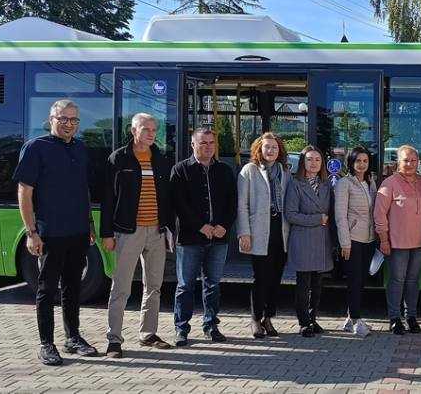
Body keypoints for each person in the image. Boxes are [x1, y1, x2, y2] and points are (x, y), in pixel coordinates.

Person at [13, 99, 98, 366]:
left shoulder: (81, 148)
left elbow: (84, 190)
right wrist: (31, 232)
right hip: (50, 233)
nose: (68, 124)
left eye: (73, 120)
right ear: (51, 119)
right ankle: (46, 344)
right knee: (47, 289)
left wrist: (90, 225)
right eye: (63, 119)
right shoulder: (36, 148)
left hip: (78, 232)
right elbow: (24, 193)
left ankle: (72, 338)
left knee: (73, 287)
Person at [101, 113, 173, 358]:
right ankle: (113, 340)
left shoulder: (161, 159)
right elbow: (108, 199)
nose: (151, 134)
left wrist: (167, 228)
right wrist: (107, 233)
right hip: (126, 232)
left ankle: (148, 334)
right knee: (121, 287)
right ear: (133, 131)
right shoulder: (118, 158)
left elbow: (167, 199)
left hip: (156, 232)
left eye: (154, 129)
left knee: (154, 286)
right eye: (146, 129)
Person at [171, 128, 237, 345]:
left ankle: (211, 325)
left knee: (213, 285)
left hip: (218, 239)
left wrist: (224, 226)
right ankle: (181, 329)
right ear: (193, 145)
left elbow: (232, 203)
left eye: (211, 143)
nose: (208, 147)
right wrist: (201, 226)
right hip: (190, 239)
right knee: (185, 285)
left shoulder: (225, 171)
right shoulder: (181, 170)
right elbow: (179, 204)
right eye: (203, 143)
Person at [237, 132, 291, 339]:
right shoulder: (249, 171)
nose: (271, 151)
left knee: (276, 277)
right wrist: (244, 232)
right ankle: (255, 319)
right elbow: (241, 205)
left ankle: (269, 317)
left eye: (275, 147)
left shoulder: (284, 172)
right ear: (259, 149)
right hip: (259, 230)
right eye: (267, 147)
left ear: (280, 151)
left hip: (280, 230)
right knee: (261, 277)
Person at [374, 145, 421, 335]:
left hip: (419, 242)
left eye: (414, 160)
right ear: (398, 162)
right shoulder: (389, 183)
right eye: (406, 160)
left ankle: (411, 316)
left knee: (413, 281)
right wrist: (383, 240)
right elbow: (379, 214)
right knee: (397, 280)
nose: (410, 164)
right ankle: (394, 318)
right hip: (396, 243)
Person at [284, 146, 334, 337]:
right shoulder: (296, 184)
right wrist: (317, 219)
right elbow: (291, 214)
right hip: (303, 239)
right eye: (309, 159)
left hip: (321, 240)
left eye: (317, 160)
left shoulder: (326, 184)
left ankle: (313, 319)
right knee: (303, 284)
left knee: (318, 284)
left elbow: (330, 212)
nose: (313, 163)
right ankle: (304, 322)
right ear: (302, 162)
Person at [335, 146, 377, 337]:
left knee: (361, 281)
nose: (361, 164)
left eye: (365, 161)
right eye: (358, 161)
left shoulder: (371, 182)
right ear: (351, 162)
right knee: (354, 281)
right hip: (352, 240)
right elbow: (340, 216)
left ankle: (350, 318)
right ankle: (357, 322)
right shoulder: (345, 183)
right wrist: (345, 242)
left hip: (368, 239)